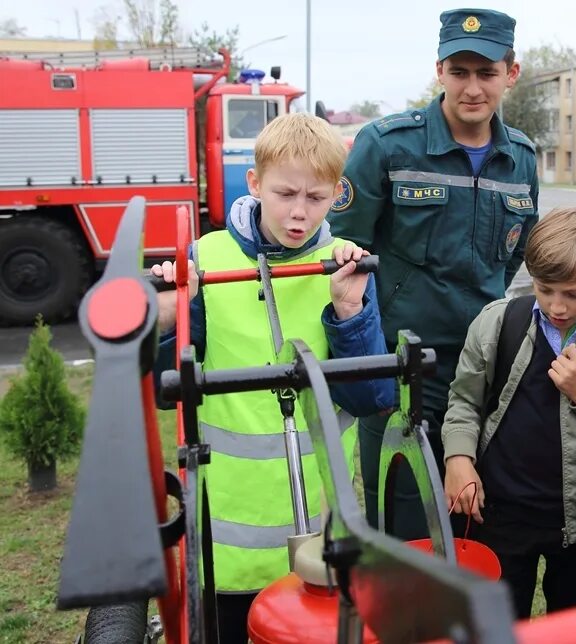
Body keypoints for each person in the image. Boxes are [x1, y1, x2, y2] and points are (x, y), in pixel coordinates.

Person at [150, 112, 394, 643]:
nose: (300, 213)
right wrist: (171, 315)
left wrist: (349, 313)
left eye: (317, 197)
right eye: (285, 194)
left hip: (318, 541)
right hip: (225, 545)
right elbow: (167, 390)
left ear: (337, 193)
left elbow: (373, 396)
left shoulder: (343, 267)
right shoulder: (206, 261)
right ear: (255, 184)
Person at [327, 8, 539, 539]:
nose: (473, 88)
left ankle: (462, 621)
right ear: (439, 70)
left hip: (484, 372)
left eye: (486, 73)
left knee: (473, 518)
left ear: (510, 74)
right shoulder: (388, 146)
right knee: (403, 526)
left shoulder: (522, 160)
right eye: (459, 71)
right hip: (401, 371)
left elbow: (514, 256)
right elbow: (347, 251)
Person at [441, 208, 576, 618]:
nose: (557, 306)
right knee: (496, 624)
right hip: (499, 514)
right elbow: (464, 401)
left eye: (573, 293)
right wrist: (459, 459)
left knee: (573, 625)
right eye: (545, 289)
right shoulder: (499, 323)